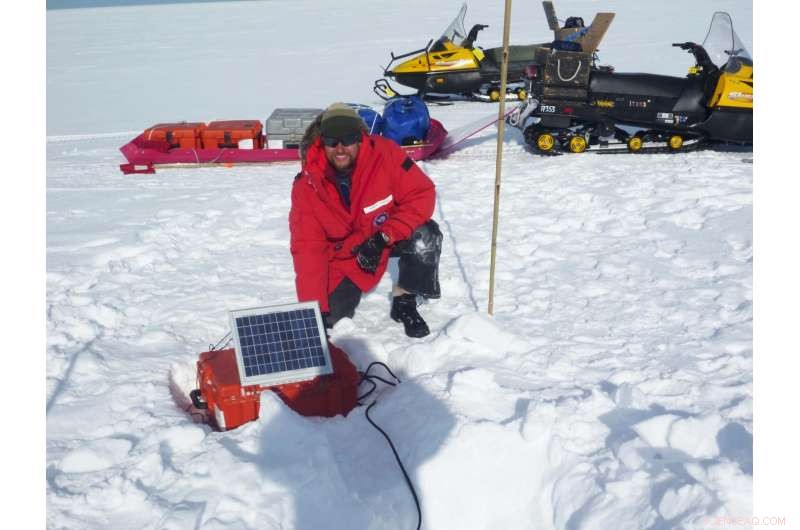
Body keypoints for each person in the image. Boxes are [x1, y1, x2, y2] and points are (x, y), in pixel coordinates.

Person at [289, 103, 442, 338]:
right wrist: (314, 309)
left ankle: (405, 300)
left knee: (425, 233)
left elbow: (422, 194)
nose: (340, 148)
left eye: (348, 139)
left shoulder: (385, 154)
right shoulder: (307, 185)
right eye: (332, 141)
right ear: (322, 141)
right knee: (328, 319)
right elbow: (308, 249)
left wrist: (383, 237)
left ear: (360, 138)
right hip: (345, 257)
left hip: (385, 234)